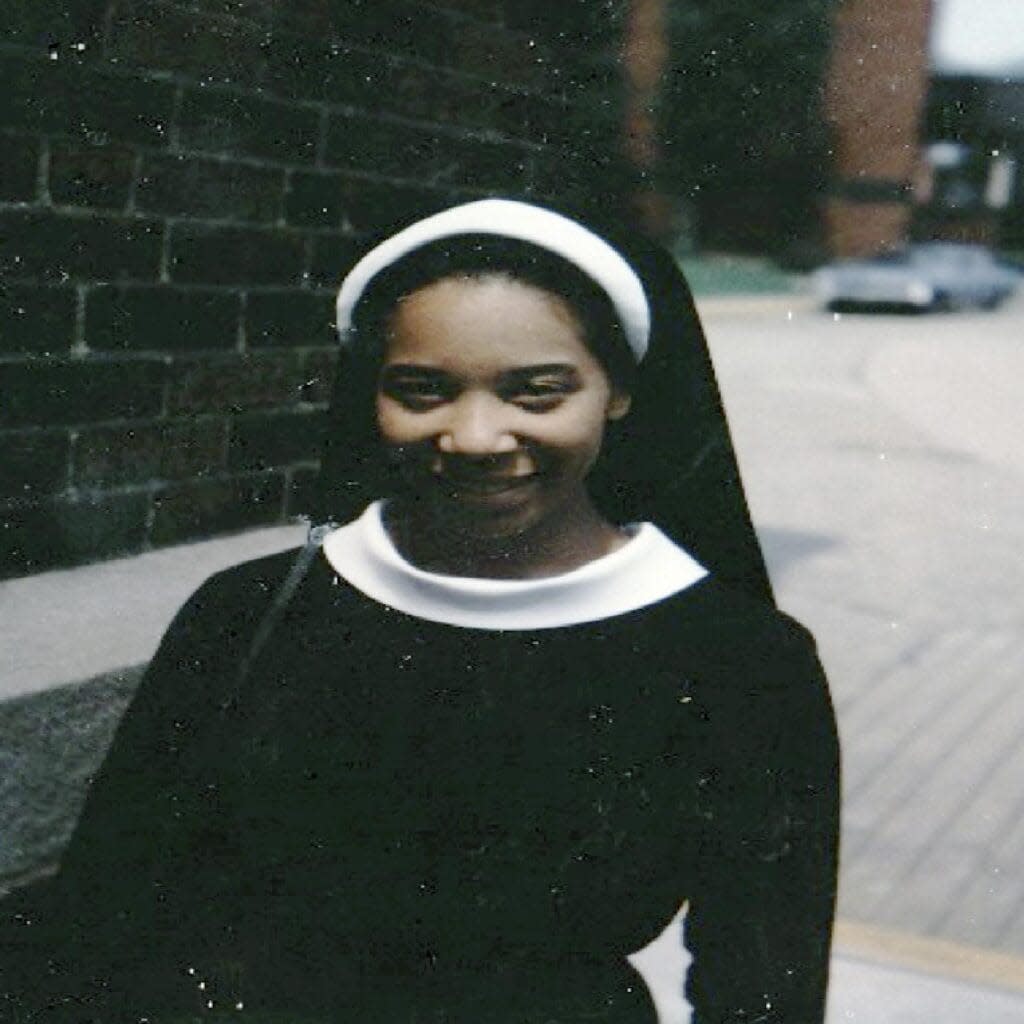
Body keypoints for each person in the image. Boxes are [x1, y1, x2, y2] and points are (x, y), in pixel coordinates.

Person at [2, 198, 839, 1023]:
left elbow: (763, 987)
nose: (476, 436)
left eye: (537, 392)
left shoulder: (741, 660)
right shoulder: (248, 611)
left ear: (617, 391)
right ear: (369, 395)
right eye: (421, 390)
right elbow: (105, 909)